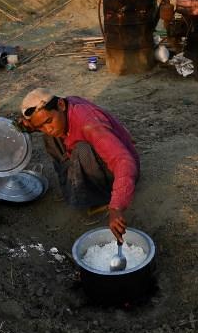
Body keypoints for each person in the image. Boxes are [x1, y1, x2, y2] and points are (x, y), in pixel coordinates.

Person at [18, 88, 139, 242]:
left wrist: (116, 207)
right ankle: (74, 188)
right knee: (50, 137)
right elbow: (42, 122)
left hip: (116, 170)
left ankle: (100, 200)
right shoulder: (63, 106)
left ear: (61, 105)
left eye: (48, 121)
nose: (47, 128)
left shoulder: (88, 123)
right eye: (40, 126)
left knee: (82, 149)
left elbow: (123, 161)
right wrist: (32, 125)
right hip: (90, 157)